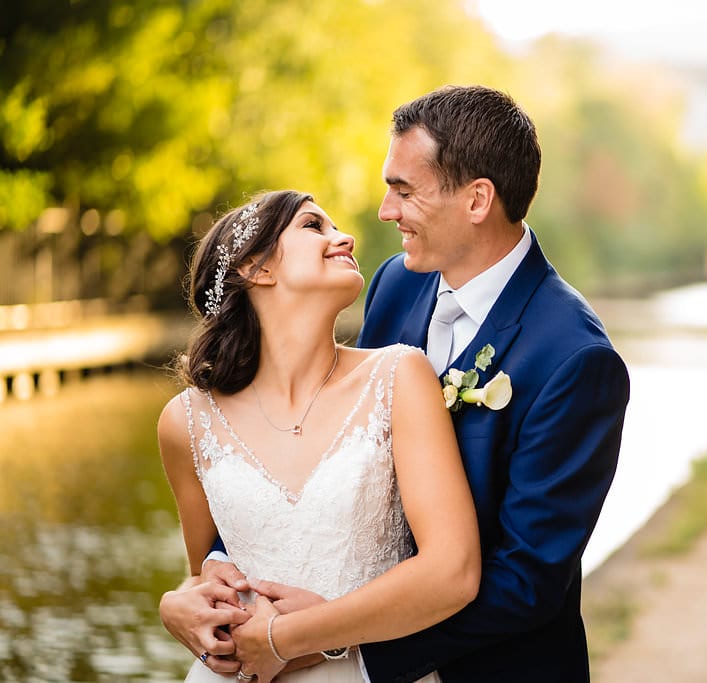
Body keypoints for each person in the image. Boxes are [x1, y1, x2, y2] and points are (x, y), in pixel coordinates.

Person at [165, 85, 631, 681]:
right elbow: (318, 471)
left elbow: (526, 581)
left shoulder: (574, 358)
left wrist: (333, 642)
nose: (385, 211)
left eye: (404, 190)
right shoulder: (397, 282)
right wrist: (202, 584)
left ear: (477, 200)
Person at [156, 189, 480, 682]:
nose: (344, 237)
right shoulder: (186, 422)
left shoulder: (399, 377)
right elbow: (210, 572)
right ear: (255, 268)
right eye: (314, 226)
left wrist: (295, 637)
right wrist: (176, 604)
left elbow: (451, 572)